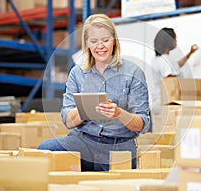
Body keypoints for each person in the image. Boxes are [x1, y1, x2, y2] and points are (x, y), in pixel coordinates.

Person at [38, 14, 151, 171]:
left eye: (105, 40)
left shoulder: (133, 72)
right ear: (86, 44)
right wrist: (84, 110)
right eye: (94, 41)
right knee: (46, 148)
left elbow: (142, 124)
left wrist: (119, 113)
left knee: (120, 181)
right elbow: (68, 121)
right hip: (83, 142)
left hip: (119, 146)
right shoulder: (77, 73)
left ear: (114, 41)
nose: (100, 46)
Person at [150, 27, 198, 116]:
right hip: (166, 103)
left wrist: (190, 53)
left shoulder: (158, 59)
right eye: (175, 39)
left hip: (159, 102)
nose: (176, 41)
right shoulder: (165, 60)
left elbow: (177, 65)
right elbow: (171, 84)